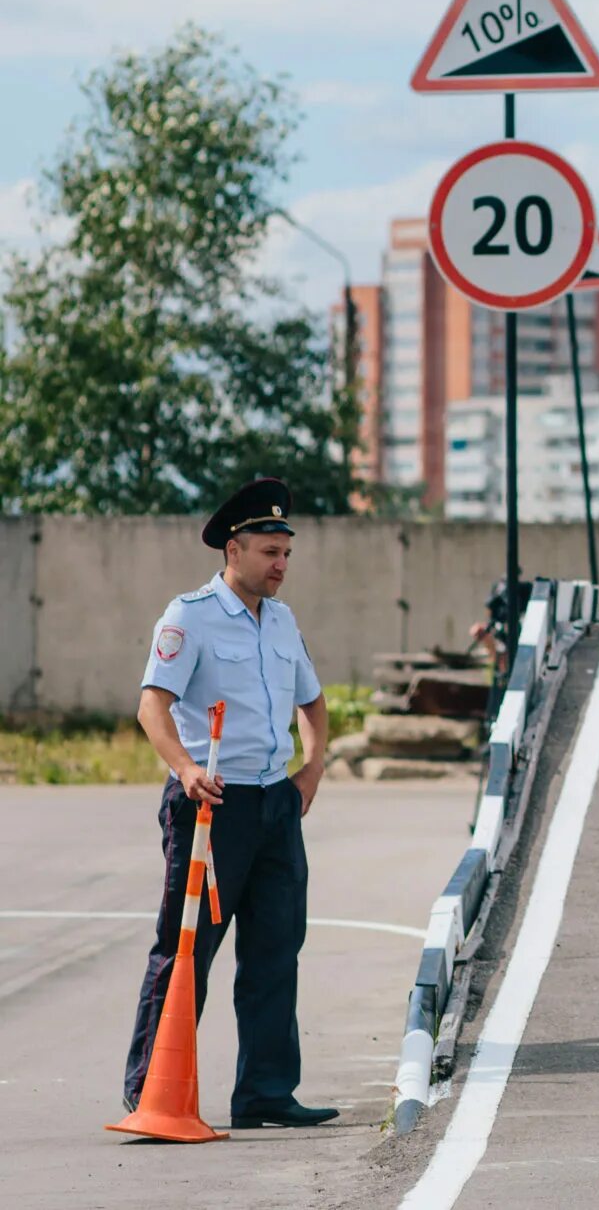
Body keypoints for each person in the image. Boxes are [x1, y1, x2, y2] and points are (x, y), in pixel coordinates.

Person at [120, 477, 338, 1129]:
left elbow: (312, 702)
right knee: (186, 948)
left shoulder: (283, 620)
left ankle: (265, 1092)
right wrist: (185, 768)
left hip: (275, 805)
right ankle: (152, 1091)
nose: (281, 565)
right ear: (234, 549)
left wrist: (312, 770)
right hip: (211, 807)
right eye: (270, 552)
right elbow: (152, 706)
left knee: (275, 949)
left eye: (286, 553)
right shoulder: (189, 617)